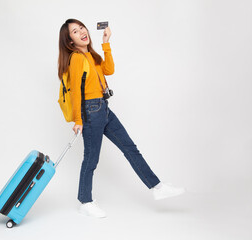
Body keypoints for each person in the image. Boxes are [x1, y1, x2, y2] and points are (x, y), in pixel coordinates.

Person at [58, 19, 185, 218]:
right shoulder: (75, 58)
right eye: (75, 31)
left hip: (104, 108)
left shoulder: (91, 55)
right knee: (91, 159)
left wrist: (106, 43)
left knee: (130, 148)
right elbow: (75, 92)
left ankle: (156, 187)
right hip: (90, 111)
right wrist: (78, 120)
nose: (82, 31)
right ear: (70, 41)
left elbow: (109, 70)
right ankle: (85, 201)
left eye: (82, 27)